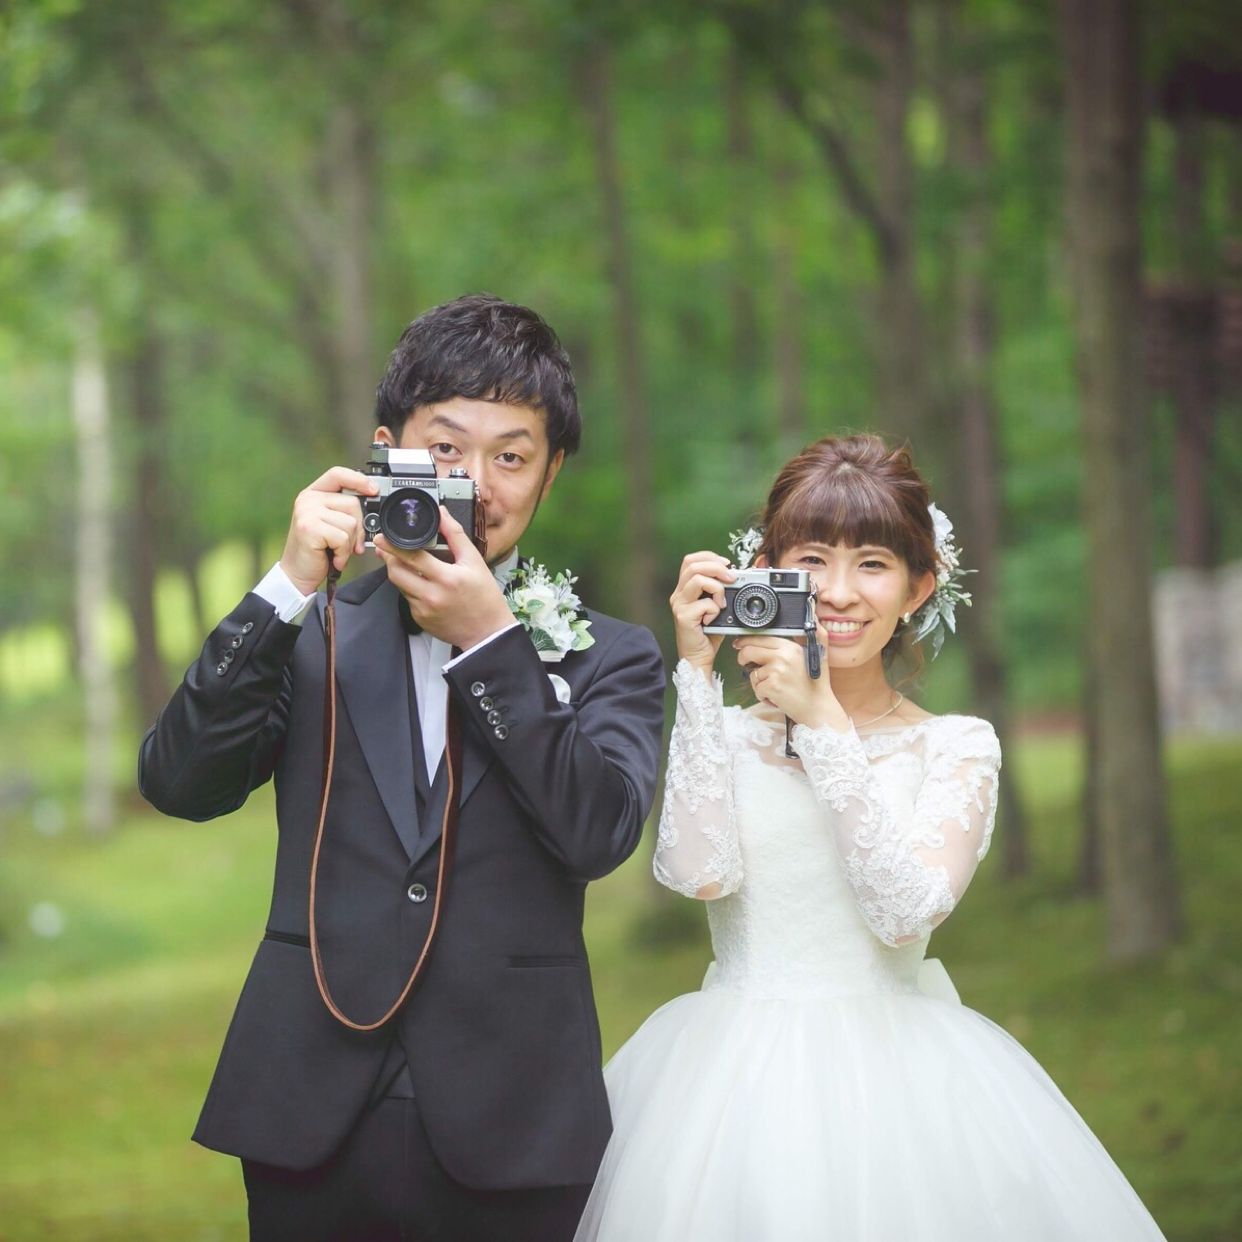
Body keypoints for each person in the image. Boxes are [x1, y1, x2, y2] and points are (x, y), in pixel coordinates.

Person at [138, 293, 666, 1242]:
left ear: (548, 478)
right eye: (448, 448)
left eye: (512, 456)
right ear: (387, 453)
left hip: (515, 1112)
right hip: (311, 1101)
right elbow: (181, 783)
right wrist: (287, 583)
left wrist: (491, 644)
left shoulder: (611, 655)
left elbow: (597, 836)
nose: (477, 483)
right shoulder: (311, 631)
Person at [574, 434, 1166, 1241]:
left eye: (874, 565)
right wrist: (697, 673)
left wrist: (821, 724)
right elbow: (696, 873)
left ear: (920, 587)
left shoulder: (957, 746)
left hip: (902, 1090)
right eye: (812, 560)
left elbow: (903, 914)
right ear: (767, 571)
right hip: (725, 1087)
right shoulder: (732, 732)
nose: (839, 594)